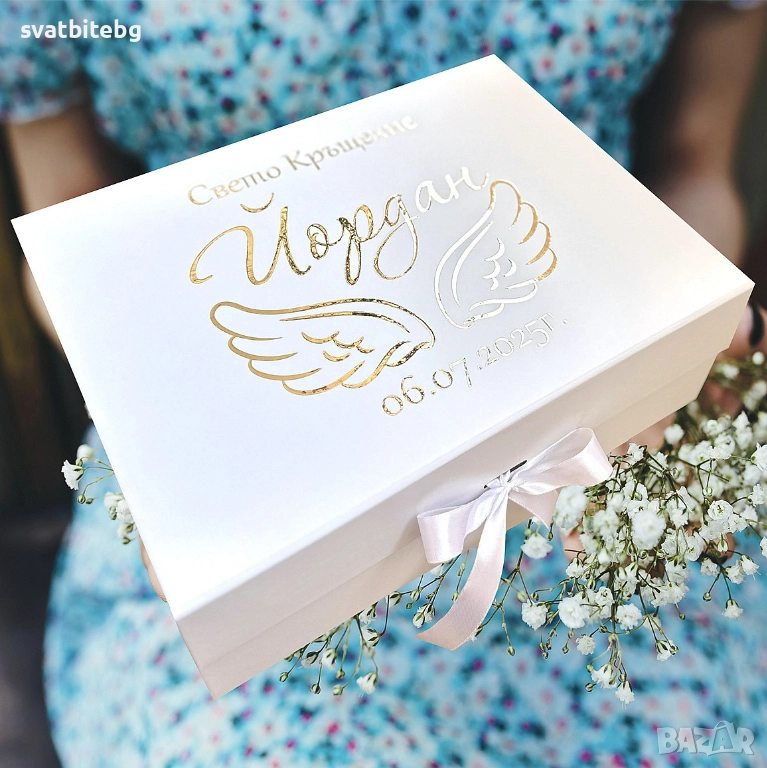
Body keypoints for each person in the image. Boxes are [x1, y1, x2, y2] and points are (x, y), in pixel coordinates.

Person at [2, 1, 767, 765]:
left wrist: (686, 315)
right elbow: (66, 227)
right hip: (250, 427)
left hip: (599, 427)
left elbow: (692, 161)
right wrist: (162, 417)